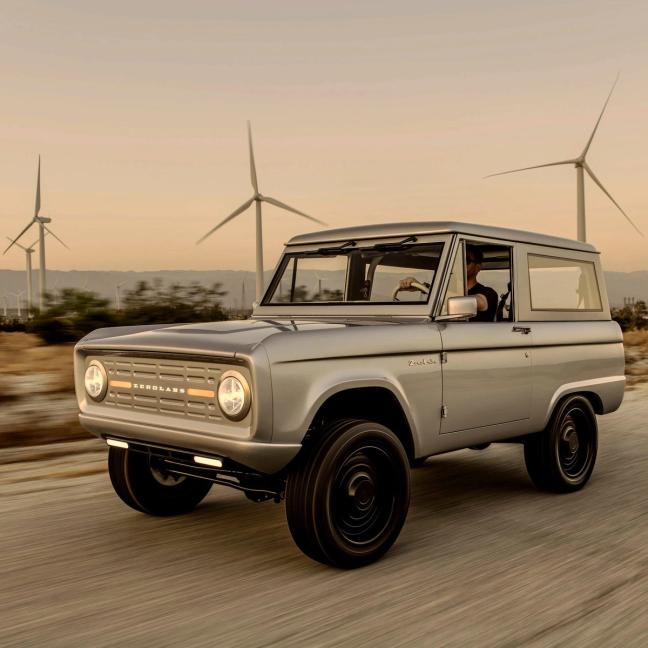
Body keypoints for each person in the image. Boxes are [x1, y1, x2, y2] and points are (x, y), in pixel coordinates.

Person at [399, 245, 498, 321]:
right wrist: (420, 287)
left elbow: (478, 302)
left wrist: (425, 289)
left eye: (466, 260)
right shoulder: (448, 290)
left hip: (474, 340)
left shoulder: (489, 293)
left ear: (477, 268)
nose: (460, 264)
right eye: (457, 260)